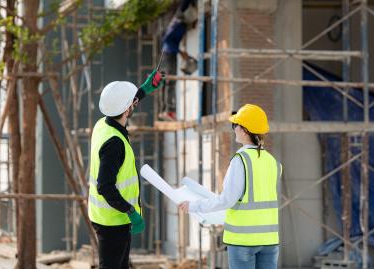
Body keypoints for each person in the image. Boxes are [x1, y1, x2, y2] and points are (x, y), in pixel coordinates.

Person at [179, 104, 282, 269]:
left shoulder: (241, 160)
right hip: (269, 239)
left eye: (235, 125)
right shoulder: (273, 162)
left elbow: (227, 200)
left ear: (245, 130)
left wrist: (194, 206)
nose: (233, 129)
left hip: (243, 241)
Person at [88, 70, 165, 269]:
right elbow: (104, 186)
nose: (134, 104)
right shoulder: (114, 144)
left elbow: (123, 106)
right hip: (114, 220)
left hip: (106, 216)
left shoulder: (102, 124)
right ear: (126, 110)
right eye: (132, 102)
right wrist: (130, 211)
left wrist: (145, 89)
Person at [159, 0, 197, 121]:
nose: (194, 25)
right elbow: (167, 39)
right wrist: (180, 52)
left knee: (166, 82)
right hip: (168, 54)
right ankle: (168, 110)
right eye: (194, 22)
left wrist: (181, 52)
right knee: (170, 81)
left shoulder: (181, 24)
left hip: (169, 53)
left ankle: (164, 110)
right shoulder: (178, 23)